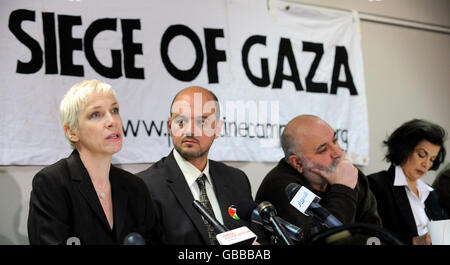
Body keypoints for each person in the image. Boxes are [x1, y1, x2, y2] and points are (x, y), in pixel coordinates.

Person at [28, 80, 161, 245]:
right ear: (72, 132)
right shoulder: (52, 184)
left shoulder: (135, 187)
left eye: (114, 110)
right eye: (96, 114)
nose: (112, 121)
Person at [137, 86, 265, 245]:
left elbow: (256, 237)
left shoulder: (236, 180)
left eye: (201, 122)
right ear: (170, 126)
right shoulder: (145, 186)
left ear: (217, 129)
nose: (189, 131)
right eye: (180, 121)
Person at [255, 115, 382, 243]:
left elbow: (374, 235)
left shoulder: (350, 175)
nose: (338, 152)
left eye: (335, 141)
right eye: (323, 150)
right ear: (297, 162)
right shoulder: (283, 187)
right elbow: (320, 241)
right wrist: (344, 190)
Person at [368, 119, 448, 245]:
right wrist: (414, 242)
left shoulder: (429, 192)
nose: (426, 164)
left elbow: (444, 237)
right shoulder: (376, 185)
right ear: (404, 149)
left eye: (432, 159)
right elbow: (371, 238)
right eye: (421, 154)